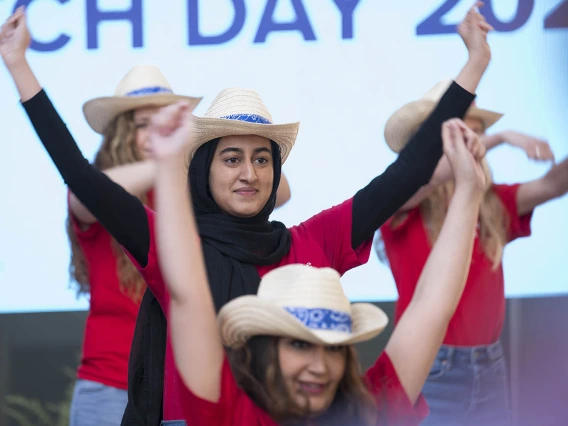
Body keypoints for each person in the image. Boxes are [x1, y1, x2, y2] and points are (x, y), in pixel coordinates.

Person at [0, 4, 492, 424]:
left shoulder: (310, 244)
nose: (250, 173)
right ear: (203, 170)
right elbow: (84, 180)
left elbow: (402, 179)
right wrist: (20, 67)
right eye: (231, 158)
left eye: (263, 159)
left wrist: (472, 68)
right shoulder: (176, 248)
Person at [149, 99, 488, 426]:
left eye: (334, 348)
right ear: (265, 348)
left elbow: (432, 306)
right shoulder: (235, 416)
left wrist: (469, 192)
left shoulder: (368, 410)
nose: (319, 366)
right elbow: (188, 296)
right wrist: (167, 166)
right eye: (300, 344)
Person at [377, 80, 568, 425]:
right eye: (462, 133)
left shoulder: (492, 202)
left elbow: (553, 184)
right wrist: (502, 137)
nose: (474, 143)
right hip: (428, 366)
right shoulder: (402, 203)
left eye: (476, 133)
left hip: (490, 365)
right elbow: (428, 179)